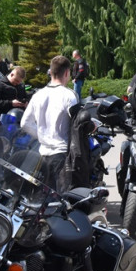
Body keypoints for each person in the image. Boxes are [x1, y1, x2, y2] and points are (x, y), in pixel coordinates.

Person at [21, 55, 78, 191]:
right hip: (61, 153)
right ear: (66, 73)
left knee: (43, 198)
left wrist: (41, 136)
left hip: (42, 153)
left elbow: (24, 123)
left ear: (51, 72)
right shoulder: (69, 95)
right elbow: (76, 124)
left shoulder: (38, 95)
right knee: (61, 199)